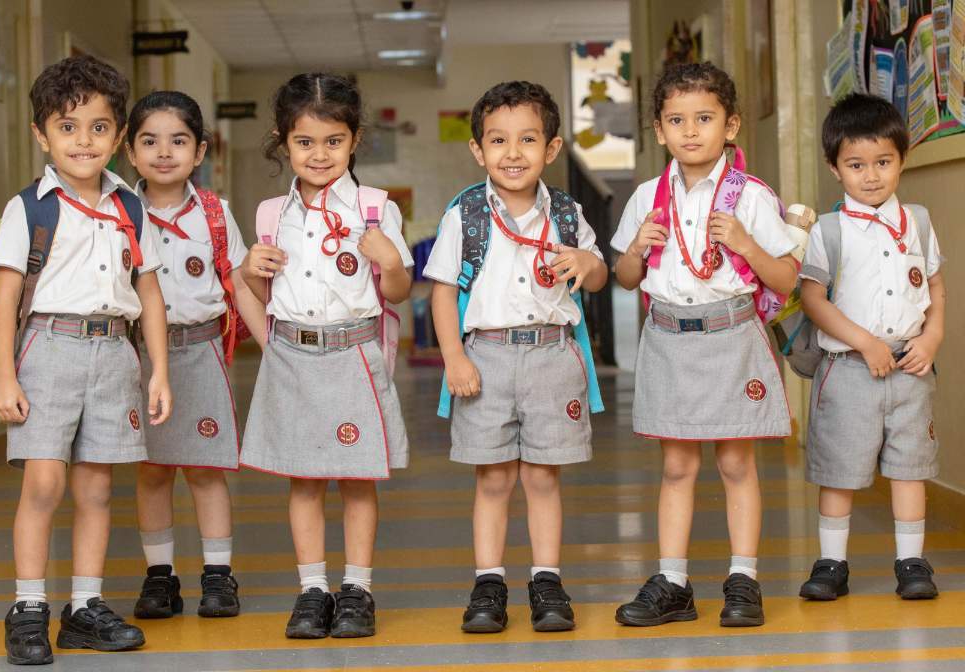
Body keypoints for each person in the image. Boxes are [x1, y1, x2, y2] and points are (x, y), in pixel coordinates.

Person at [0, 55, 171, 664]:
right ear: (42, 135)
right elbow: (6, 295)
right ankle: (28, 607)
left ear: (118, 137)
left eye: (98, 127)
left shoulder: (130, 207)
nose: (84, 140)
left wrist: (159, 370)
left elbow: (148, 292)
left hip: (114, 353)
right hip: (48, 350)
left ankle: (84, 608)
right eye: (67, 127)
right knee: (44, 483)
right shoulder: (29, 207)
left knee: (96, 488)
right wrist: (5, 376)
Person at [610, 62, 798, 628]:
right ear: (659, 130)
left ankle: (744, 580)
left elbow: (788, 278)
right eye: (676, 120)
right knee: (676, 466)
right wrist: (636, 250)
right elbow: (625, 279)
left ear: (730, 125)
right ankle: (673, 583)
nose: (690, 131)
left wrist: (746, 244)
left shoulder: (751, 196)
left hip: (731, 335)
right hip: (670, 337)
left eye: (704, 118)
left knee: (737, 463)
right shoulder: (647, 196)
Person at [425, 80, 607, 633]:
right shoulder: (465, 215)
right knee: (493, 479)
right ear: (478, 149)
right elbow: (441, 292)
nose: (512, 153)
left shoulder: (568, 213)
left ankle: (547, 582)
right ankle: (488, 584)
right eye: (498, 140)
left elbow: (598, 274)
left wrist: (586, 263)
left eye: (528, 139)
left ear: (551, 149)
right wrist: (454, 359)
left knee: (543, 478)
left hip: (552, 355)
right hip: (487, 357)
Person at [239, 73, 413, 639]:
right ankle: (312, 590)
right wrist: (250, 271)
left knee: (357, 479)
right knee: (305, 479)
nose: (320, 154)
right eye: (305, 142)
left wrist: (390, 260)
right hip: (293, 357)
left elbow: (397, 292)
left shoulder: (375, 208)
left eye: (334, 141)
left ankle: (357, 590)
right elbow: (263, 295)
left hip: (353, 354)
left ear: (354, 139)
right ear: (283, 141)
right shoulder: (272, 214)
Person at [124, 90, 265, 621]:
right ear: (130, 151)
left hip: (202, 351)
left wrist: (272, 348)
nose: (164, 152)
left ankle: (218, 575)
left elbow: (239, 282)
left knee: (206, 470)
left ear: (200, 150)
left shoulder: (214, 213)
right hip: (139, 357)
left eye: (178, 141)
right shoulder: (118, 211)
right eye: (150, 141)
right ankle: (159, 577)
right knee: (153, 471)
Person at [798, 93, 944, 602]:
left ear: (902, 159)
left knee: (909, 467)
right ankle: (831, 564)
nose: (872, 175)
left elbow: (935, 287)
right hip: (848, 368)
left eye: (883, 162)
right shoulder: (828, 229)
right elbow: (812, 297)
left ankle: (911, 563)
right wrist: (863, 342)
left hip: (910, 366)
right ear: (834, 168)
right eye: (856, 165)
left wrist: (931, 337)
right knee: (839, 469)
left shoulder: (918, 221)